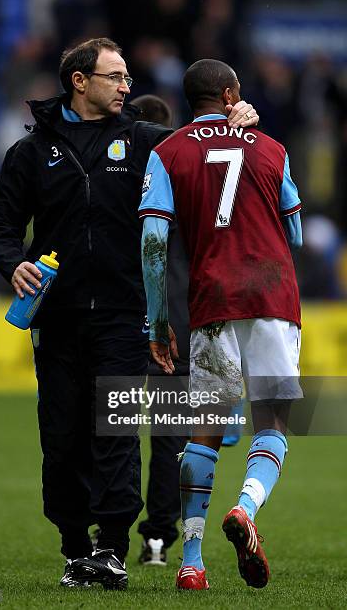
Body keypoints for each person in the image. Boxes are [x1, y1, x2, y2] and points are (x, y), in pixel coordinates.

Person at [0, 37, 259, 591]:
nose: (127, 87)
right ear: (80, 81)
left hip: (123, 315)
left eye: (128, 77)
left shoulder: (146, 143)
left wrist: (237, 124)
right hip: (55, 318)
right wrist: (13, 263)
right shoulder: (32, 152)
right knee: (61, 437)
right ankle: (73, 547)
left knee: (116, 434)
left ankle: (109, 549)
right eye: (115, 77)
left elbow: (202, 154)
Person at [139, 59, 302, 590]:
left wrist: (158, 319)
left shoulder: (167, 153)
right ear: (232, 93)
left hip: (211, 300)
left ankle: (190, 563)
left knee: (203, 431)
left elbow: (155, 242)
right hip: (273, 295)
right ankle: (246, 509)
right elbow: (295, 230)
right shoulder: (272, 148)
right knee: (271, 422)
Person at [130, 94, 243, 567]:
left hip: (116, 314)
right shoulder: (183, 169)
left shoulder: (117, 176)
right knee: (168, 435)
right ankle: (157, 537)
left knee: (105, 432)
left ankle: (103, 532)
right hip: (173, 317)